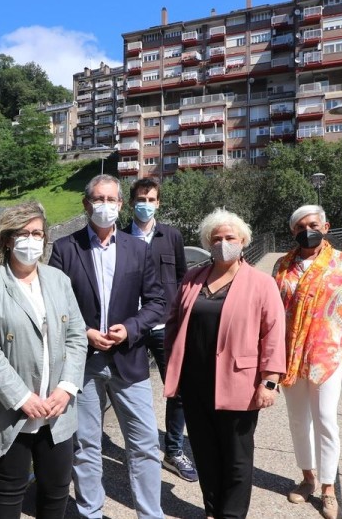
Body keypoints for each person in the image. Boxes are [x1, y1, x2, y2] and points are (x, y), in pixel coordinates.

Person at [49, 174, 166, 519]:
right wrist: (84, 332)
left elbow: (157, 303)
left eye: (111, 199)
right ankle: (90, 512)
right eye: (98, 199)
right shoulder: (65, 249)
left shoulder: (138, 248)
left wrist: (129, 329)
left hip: (128, 360)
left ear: (120, 204)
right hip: (82, 363)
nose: (105, 205)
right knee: (86, 445)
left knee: (145, 444)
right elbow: (54, 306)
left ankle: (150, 514)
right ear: (86, 204)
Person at [0, 201, 88, 519]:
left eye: (37, 233)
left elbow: (77, 337)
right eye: (23, 233)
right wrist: (21, 397)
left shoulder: (58, 280)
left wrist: (66, 388)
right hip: (13, 412)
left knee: (56, 491)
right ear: (8, 239)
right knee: (8, 493)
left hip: (57, 411)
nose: (31, 240)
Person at [163, 208, 286, 519]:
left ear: (243, 240)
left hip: (239, 383)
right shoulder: (193, 278)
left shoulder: (261, 283)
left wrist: (269, 381)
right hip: (195, 382)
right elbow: (174, 322)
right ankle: (212, 510)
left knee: (236, 457)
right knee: (205, 453)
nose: (222, 243)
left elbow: (274, 334)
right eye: (216, 238)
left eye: (230, 237)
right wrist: (173, 365)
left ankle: (231, 515)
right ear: (207, 242)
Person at [272, 205, 342, 519]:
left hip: (326, 355)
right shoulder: (283, 265)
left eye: (312, 224)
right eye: (299, 227)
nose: (306, 230)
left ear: (325, 226)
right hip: (290, 355)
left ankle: (329, 487)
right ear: (293, 232)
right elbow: (272, 311)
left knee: (326, 420)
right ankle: (308, 478)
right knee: (299, 421)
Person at [128, 177, 196, 482]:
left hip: (164, 324)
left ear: (159, 203)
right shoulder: (118, 237)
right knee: (127, 389)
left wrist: (183, 319)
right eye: (141, 198)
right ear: (132, 203)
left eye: (152, 199)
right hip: (129, 325)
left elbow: (183, 280)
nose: (146, 204)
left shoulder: (171, 236)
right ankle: (137, 450)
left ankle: (173, 450)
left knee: (177, 389)